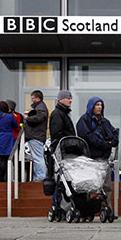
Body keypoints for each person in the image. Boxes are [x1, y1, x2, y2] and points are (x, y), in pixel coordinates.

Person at [75, 96, 119, 196]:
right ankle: (91, 210)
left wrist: (111, 143)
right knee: (91, 187)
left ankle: (107, 209)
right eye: (97, 105)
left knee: (106, 187)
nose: (99, 107)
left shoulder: (104, 121)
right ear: (91, 106)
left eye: (101, 105)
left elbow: (114, 134)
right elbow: (88, 137)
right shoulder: (84, 120)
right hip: (91, 160)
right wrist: (106, 144)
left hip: (104, 159)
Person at [48, 90, 76, 219]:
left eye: (70, 98)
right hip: (61, 152)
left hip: (66, 151)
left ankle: (61, 206)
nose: (70, 100)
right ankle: (58, 206)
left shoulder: (63, 114)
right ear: (60, 100)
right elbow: (57, 134)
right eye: (67, 98)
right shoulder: (58, 114)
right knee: (60, 180)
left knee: (63, 180)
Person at [23, 90, 49, 181]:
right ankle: (38, 177)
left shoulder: (41, 107)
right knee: (37, 157)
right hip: (37, 135)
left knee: (37, 157)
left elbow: (39, 118)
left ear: (38, 98)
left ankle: (40, 177)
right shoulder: (41, 107)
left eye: (33, 98)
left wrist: (27, 118)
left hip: (36, 135)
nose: (32, 100)